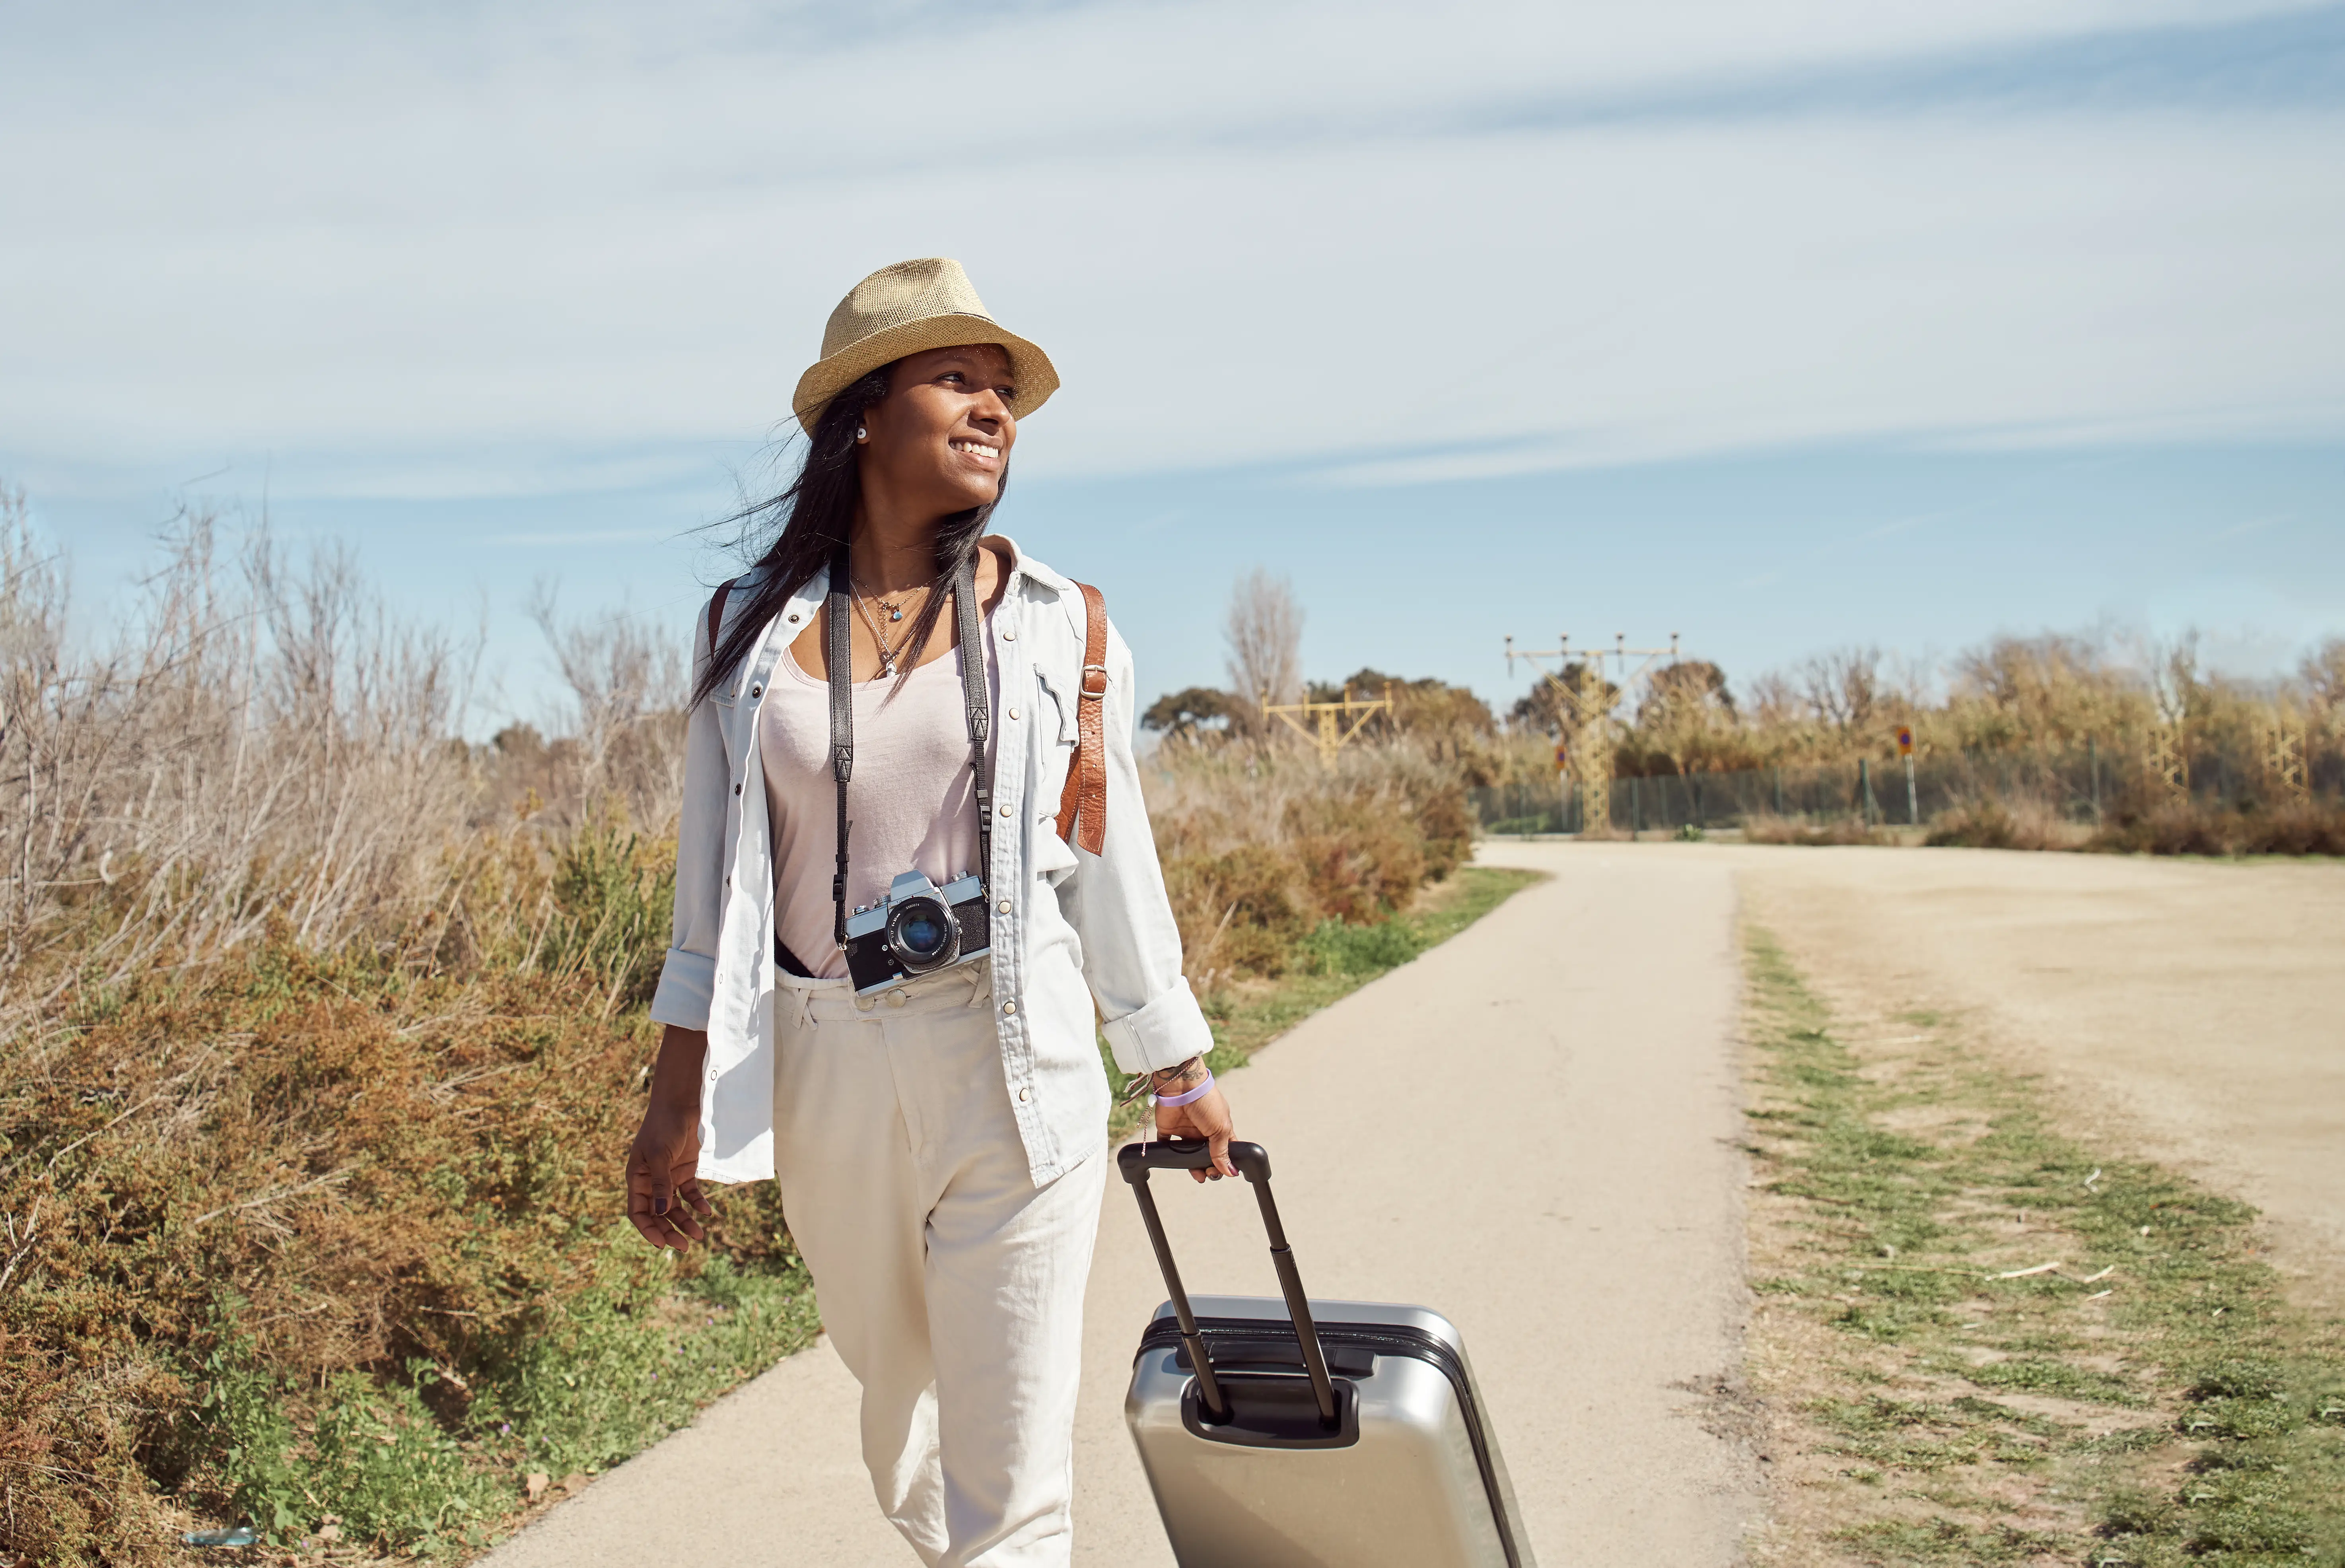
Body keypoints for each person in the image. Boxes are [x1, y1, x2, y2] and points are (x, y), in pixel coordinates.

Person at [623, 257, 1235, 1568]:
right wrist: (675, 1100)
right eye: (958, 378)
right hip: (827, 1055)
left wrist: (1174, 1065)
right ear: (863, 413)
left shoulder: (1065, 623)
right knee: (899, 1419)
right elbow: (706, 888)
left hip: (1018, 1051)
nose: (994, 409)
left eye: (1004, 391)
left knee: (1009, 1481)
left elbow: (1108, 856)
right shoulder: (744, 627)